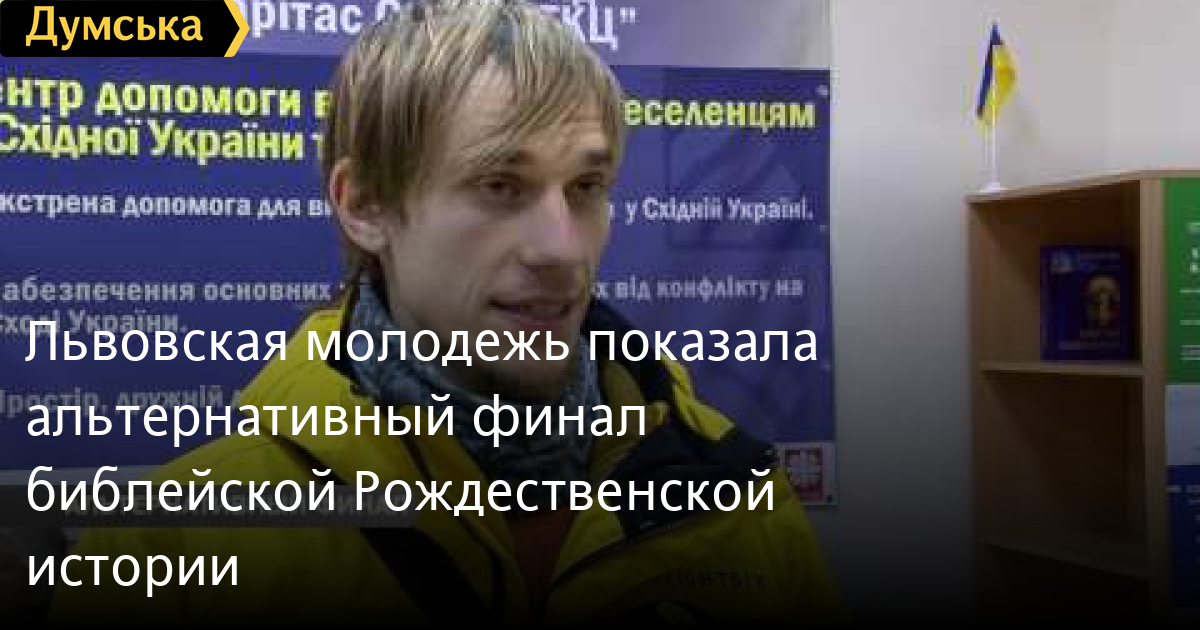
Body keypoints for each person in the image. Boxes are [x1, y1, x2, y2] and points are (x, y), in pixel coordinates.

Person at [49, 0, 838, 625]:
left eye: (586, 187)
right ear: (365, 206)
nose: (563, 248)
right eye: (500, 185)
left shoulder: (738, 495)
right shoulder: (173, 541)